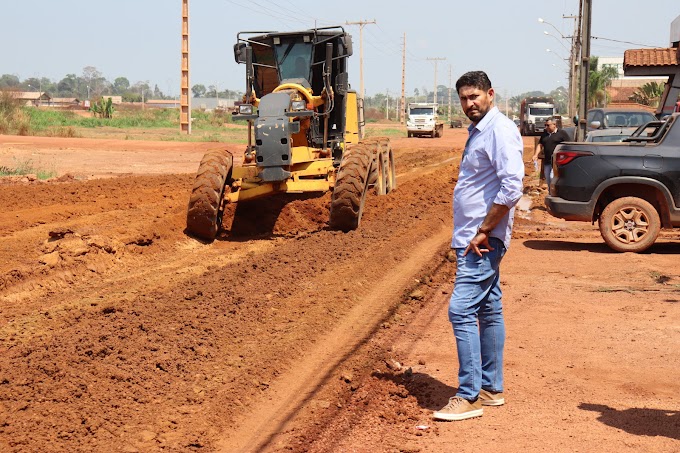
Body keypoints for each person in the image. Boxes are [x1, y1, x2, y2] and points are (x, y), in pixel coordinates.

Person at [433, 71, 524, 422]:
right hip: (475, 236)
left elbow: (512, 186)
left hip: (481, 240)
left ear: (489, 93)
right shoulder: (481, 130)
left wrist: (485, 229)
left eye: (475, 97)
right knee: (489, 310)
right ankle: (491, 388)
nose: (470, 104)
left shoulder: (499, 130)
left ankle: (469, 395)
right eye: (464, 99)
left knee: (460, 311)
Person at [532, 118, 570, 187]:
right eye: (545, 125)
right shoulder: (544, 134)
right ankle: (551, 193)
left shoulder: (562, 133)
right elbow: (540, 145)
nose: (546, 127)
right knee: (547, 178)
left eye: (548, 125)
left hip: (557, 161)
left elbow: (568, 145)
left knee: (552, 177)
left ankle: (555, 193)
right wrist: (535, 155)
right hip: (547, 161)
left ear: (554, 125)